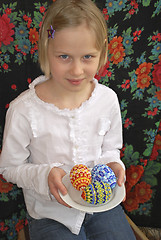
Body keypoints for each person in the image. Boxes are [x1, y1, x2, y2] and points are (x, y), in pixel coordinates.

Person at [0, 0, 136, 239]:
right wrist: (45, 175)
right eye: (64, 56)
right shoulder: (23, 109)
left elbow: (110, 150)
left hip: (101, 206)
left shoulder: (108, 100)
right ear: (46, 48)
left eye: (87, 57)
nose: (76, 70)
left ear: (102, 51)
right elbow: (9, 167)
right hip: (50, 211)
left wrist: (114, 166)